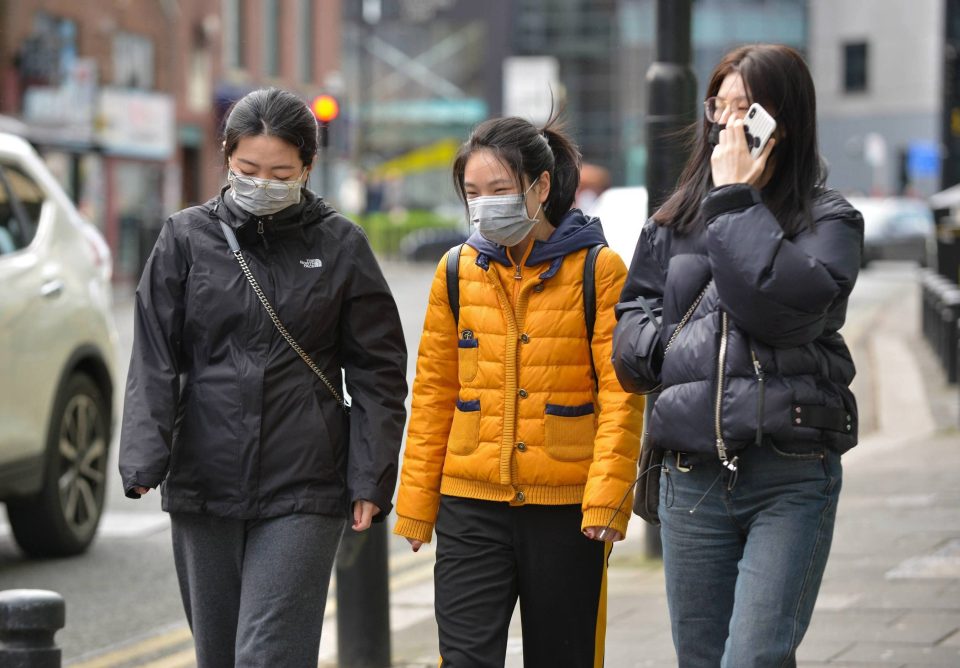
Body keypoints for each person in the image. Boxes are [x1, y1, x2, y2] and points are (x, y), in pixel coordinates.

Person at [118, 88, 408, 668]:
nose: (263, 183)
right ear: (226, 156)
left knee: (268, 655)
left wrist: (370, 477)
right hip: (205, 475)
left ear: (308, 167)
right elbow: (154, 355)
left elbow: (379, 372)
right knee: (219, 655)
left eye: (280, 172)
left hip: (305, 482)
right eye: (249, 169)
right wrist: (145, 457)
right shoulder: (184, 238)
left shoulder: (341, 245)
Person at [612, 44, 863, 667]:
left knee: (753, 657)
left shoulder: (828, 221)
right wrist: (675, 346)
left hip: (791, 469)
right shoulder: (670, 224)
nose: (727, 123)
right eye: (718, 107)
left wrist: (734, 203)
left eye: (745, 109)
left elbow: (785, 312)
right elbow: (630, 338)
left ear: (783, 120)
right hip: (690, 477)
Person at [393, 114, 644, 667]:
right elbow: (434, 391)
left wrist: (607, 498)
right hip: (469, 504)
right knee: (463, 659)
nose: (485, 205)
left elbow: (621, 397)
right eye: (472, 193)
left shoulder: (599, 271)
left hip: (567, 509)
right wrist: (415, 504)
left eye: (500, 190)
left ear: (541, 186)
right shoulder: (455, 271)